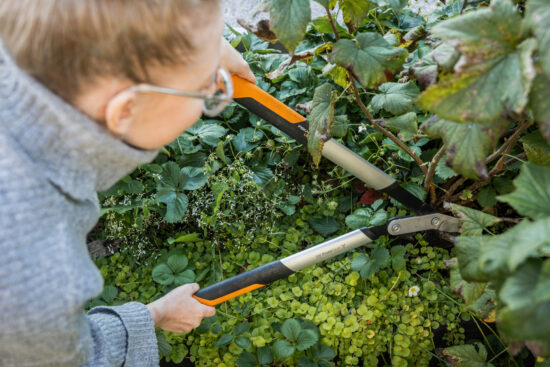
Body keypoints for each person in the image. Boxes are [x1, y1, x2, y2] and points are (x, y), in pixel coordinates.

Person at [0, 0, 255, 366]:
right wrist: (150, 316)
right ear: (125, 110)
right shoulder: (35, 269)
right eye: (206, 93)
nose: (214, 93)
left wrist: (200, 44)